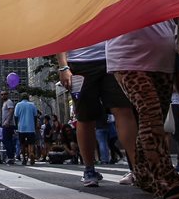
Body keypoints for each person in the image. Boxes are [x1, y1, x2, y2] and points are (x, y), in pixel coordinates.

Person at [106, 20, 179, 199]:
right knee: (150, 112)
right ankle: (166, 180)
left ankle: (143, 175)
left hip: (163, 59)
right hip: (127, 57)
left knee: (153, 118)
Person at [55, 40, 137, 187]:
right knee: (87, 116)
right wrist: (63, 66)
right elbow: (61, 33)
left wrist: (63, 67)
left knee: (122, 110)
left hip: (112, 57)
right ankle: (90, 170)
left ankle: (137, 169)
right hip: (83, 61)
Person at [13, 93, 39, 165]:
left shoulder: (18, 105)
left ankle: (24, 159)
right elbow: (35, 116)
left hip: (21, 127)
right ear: (28, 98)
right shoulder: (32, 105)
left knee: (22, 144)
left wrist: (16, 126)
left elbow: (16, 116)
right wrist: (34, 125)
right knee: (31, 143)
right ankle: (31, 153)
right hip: (31, 127)